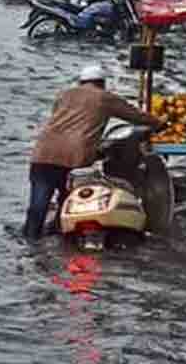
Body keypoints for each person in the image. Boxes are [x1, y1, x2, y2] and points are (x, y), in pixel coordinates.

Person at [23, 64, 163, 240]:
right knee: (71, 199)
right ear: (101, 83)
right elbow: (134, 115)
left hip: (43, 153)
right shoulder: (104, 98)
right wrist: (159, 124)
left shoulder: (64, 95)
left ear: (81, 82)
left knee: (38, 203)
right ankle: (62, 233)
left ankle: (31, 238)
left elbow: (61, 121)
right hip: (74, 157)